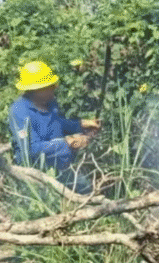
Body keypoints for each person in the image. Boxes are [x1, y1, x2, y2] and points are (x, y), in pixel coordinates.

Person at [9, 61, 101, 194]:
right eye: (49, 86)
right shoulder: (19, 111)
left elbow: (57, 123)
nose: (54, 87)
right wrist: (68, 143)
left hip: (60, 166)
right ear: (36, 90)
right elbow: (30, 149)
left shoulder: (49, 102)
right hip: (36, 173)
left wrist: (81, 125)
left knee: (87, 191)